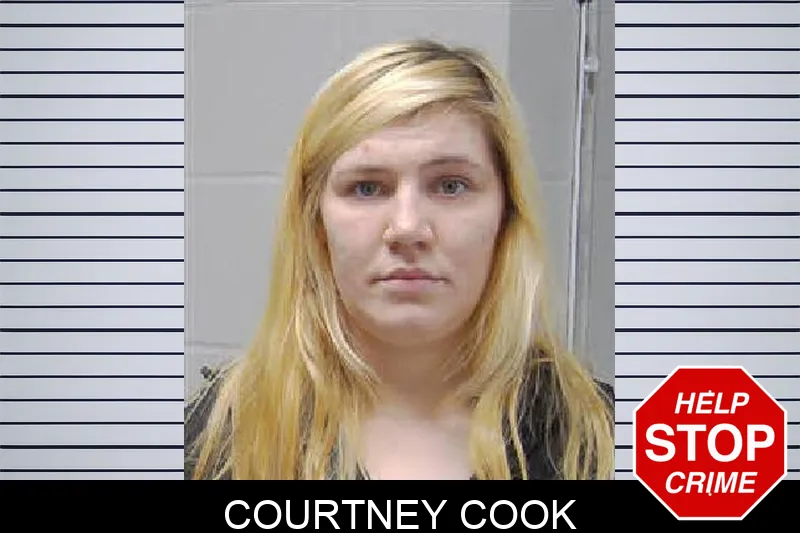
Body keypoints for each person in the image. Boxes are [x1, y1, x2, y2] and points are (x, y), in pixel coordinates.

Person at [185, 39, 614, 480]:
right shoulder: (218, 440)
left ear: (506, 214)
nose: (407, 228)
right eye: (367, 188)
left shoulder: (603, 442)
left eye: (450, 186)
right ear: (317, 224)